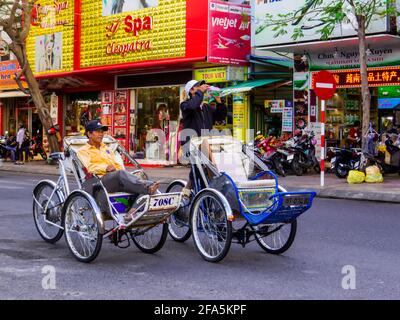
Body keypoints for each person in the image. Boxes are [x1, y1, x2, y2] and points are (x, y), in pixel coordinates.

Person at [77, 120, 159, 222]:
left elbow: (117, 165)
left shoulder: (106, 148)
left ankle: (132, 212)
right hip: (98, 181)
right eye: (98, 131)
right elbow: (89, 167)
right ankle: (148, 186)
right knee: (135, 181)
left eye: (102, 132)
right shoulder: (83, 151)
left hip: (114, 179)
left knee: (143, 184)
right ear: (89, 134)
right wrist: (105, 167)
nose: (101, 134)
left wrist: (120, 172)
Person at [179, 79, 227, 201]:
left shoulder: (206, 107)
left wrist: (219, 102)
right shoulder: (185, 105)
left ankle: (196, 193)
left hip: (205, 144)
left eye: (201, 86)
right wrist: (201, 92)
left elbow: (221, 117)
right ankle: (191, 192)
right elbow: (193, 105)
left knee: (208, 171)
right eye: (198, 86)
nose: (201, 88)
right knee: (199, 167)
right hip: (191, 144)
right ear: (191, 90)